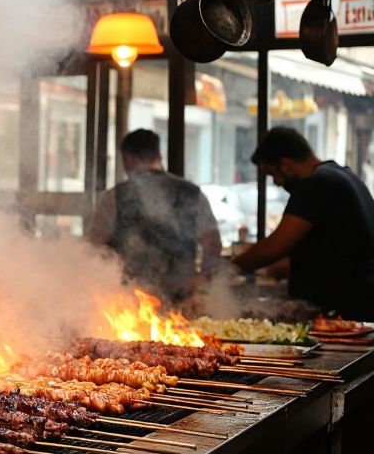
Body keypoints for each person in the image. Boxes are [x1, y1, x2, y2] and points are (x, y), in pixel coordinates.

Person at [232, 126, 374, 318]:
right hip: (359, 306)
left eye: (273, 174)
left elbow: (274, 247)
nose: (276, 183)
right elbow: (335, 248)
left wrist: (229, 268)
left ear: (286, 164)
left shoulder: (315, 184)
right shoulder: (345, 175)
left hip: (341, 313)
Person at [85, 129, 224, 302]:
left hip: (130, 300)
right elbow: (212, 243)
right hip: (182, 297)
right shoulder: (193, 194)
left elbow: (94, 246)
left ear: (128, 159)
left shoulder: (113, 197)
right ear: (159, 155)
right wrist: (203, 281)